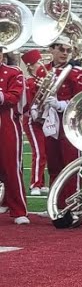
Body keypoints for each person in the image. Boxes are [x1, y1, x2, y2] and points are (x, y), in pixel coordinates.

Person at [38, 36, 82, 210]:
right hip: (50, 123)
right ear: (51, 50)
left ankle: (73, 204)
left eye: (68, 50)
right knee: (54, 165)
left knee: (71, 165)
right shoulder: (45, 71)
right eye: (61, 49)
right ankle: (56, 203)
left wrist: (60, 105)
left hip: (69, 124)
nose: (65, 53)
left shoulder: (76, 72)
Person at [0, 50, 29, 224]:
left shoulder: (13, 72)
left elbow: (15, 97)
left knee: (11, 167)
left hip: (6, 124)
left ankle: (18, 211)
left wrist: (1, 96)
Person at [19, 49, 48, 195]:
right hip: (31, 120)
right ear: (30, 66)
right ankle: (35, 184)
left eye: (41, 61)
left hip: (44, 120)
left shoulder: (43, 78)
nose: (41, 65)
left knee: (45, 152)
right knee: (39, 152)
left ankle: (41, 182)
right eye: (37, 63)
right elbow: (28, 104)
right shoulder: (29, 81)